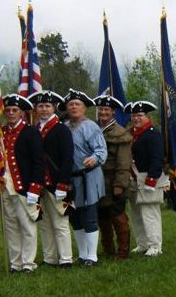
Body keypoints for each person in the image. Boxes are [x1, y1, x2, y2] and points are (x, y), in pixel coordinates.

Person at [29, 90, 75, 268]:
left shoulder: (61, 129)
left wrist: (63, 183)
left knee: (60, 223)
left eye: (47, 106)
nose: (43, 109)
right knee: (45, 224)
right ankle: (50, 258)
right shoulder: (34, 130)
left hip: (57, 183)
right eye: (40, 106)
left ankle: (65, 259)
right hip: (40, 184)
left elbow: (67, 158)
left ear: (54, 107)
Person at [62, 89, 107, 267]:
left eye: (77, 104)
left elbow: (101, 151)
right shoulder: (64, 126)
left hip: (89, 176)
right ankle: (82, 254)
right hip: (71, 179)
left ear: (84, 108)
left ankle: (92, 256)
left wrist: (94, 158)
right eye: (71, 104)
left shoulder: (91, 127)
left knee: (89, 216)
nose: (74, 107)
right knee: (75, 217)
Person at [1, 94, 44, 273]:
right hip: (5, 186)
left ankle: (28, 262)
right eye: (8, 110)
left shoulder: (31, 132)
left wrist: (35, 186)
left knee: (27, 226)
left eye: (14, 110)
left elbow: (38, 161)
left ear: (21, 113)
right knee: (11, 227)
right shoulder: (1, 132)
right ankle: (15, 262)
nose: (11, 113)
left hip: (23, 187)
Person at [125, 101, 168, 257]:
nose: (136, 118)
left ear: (147, 116)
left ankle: (155, 246)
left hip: (148, 178)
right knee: (136, 214)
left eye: (139, 115)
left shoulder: (152, 134)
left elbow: (157, 159)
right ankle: (142, 244)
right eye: (134, 115)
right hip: (134, 179)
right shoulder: (131, 134)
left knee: (150, 214)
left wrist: (152, 179)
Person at [94, 95, 132, 260]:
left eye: (106, 110)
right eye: (101, 109)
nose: (103, 112)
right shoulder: (93, 128)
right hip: (96, 181)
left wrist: (120, 184)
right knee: (101, 217)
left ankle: (123, 251)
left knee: (118, 218)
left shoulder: (120, 133)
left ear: (113, 112)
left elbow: (124, 162)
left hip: (113, 180)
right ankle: (108, 248)